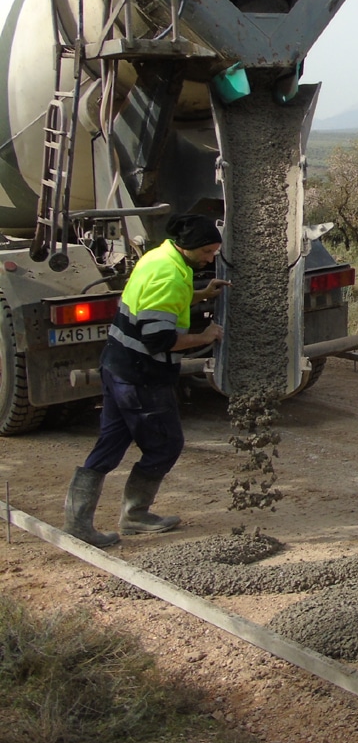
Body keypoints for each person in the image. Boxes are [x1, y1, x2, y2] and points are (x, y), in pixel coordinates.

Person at [63, 214, 230, 547]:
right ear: (189, 247)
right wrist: (205, 336)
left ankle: (78, 522)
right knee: (166, 445)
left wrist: (201, 294)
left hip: (118, 365)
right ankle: (135, 515)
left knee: (109, 444)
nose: (212, 258)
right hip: (140, 376)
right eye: (209, 252)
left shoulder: (160, 257)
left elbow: (160, 304)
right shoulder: (168, 274)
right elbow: (159, 339)